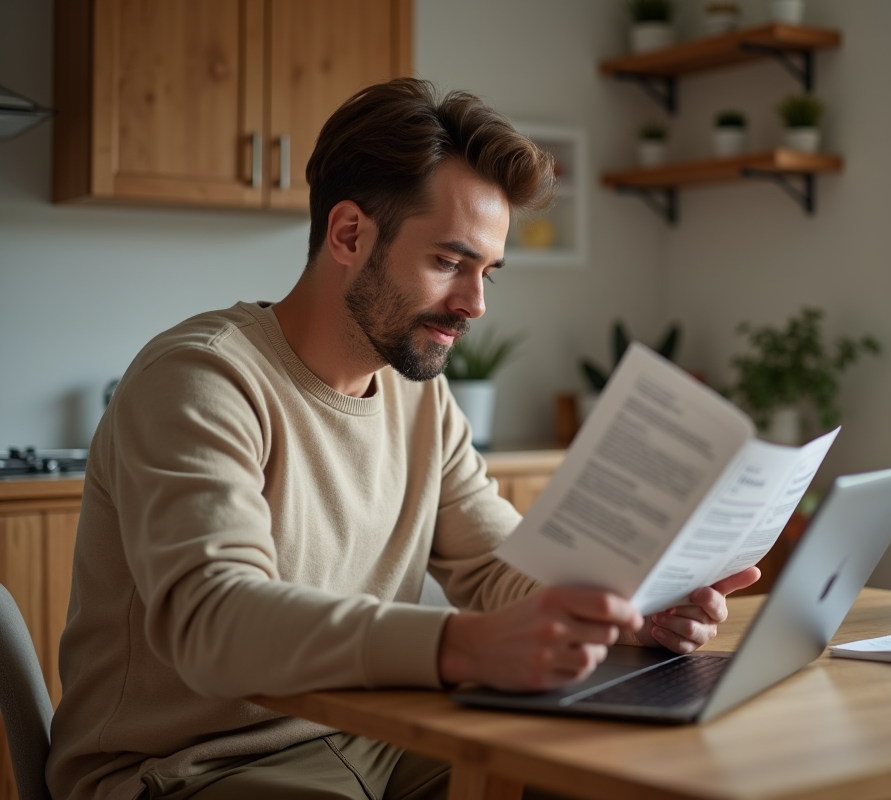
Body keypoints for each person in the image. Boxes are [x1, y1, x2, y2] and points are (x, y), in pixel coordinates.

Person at [46, 78, 760, 800]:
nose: (475, 304)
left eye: (487, 272)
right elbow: (215, 619)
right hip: (187, 769)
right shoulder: (203, 378)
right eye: (450, 262)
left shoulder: (422, 401)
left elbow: (495, 567)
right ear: (350, 234)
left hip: (377, 741)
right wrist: (457, 645)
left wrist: (629, 611)